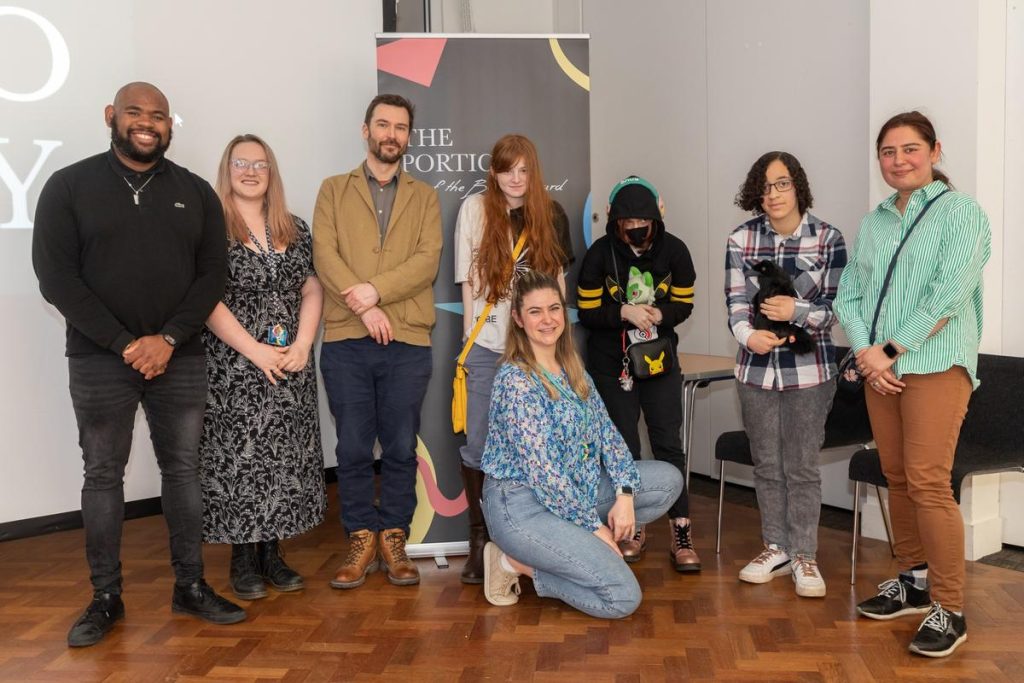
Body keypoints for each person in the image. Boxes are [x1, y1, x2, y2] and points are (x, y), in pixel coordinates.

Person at [31, 82, 245, 648]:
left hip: (181, 357)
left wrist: (169, 338)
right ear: (112, 116)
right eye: (134, 112)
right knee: (103, 476)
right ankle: (105, 597)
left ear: (170, 125)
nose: (146, 123)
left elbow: (211, 278)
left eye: (157, 115)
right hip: (101, 360)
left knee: (183, 472)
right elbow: (57, 279)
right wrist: (128, 343)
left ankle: (191, 586)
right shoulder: (68, 186)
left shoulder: (196, 192)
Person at [834, 111, 991, 658]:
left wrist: (892, 348)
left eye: (910, 149)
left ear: (935, 150)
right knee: (896, 475)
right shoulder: (874, 221)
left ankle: (950, 608)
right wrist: (867, 353)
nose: (899, 160)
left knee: (927, 481)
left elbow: (949, 294)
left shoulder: (962, 213)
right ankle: (914, 579)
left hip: (935, 364)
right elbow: (848, 295)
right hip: (881, 368)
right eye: (888, 151)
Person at [479, 270, 683, 618]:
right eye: (535, 311)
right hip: (523, 507)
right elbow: (545, 474)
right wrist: (595, 528)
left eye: (554, 308)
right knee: (622, 598)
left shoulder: (572, 368)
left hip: (577, 490)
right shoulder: (516, 381)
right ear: (517, 319)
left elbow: (608, 434)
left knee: (667, 480)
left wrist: (624, 494)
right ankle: (512, 562)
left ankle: (574, 547)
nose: (548, 320)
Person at [313, 94, 442, 590]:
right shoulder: (332, 190)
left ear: (409, 137)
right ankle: (360, 538)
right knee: (349, 446)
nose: (391, 134)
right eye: (383, 124)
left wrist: (378, 292)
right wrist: (364, 307)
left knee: (400, 447)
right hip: (347, 337)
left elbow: (427, 261)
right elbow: (325, 256)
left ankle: (394, 537)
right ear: (365, 130)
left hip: (408, 339)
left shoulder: (425, 196)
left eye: (401, 127)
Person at [199, 134, 326, 600]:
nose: (250, 171)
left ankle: (273, 553)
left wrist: (303, 343)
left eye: (260, 164)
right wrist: (254, 350)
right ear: (226, 169)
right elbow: (204, 297)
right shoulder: (210, 225)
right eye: (240, 163)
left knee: (283, 456)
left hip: (290, 360)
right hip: (234, 364)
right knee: (240, 458)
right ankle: (243, 557)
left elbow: (311, 287)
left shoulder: (292, 225)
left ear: (272, 172)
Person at [453, 133, 574, 584]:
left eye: (524, 170)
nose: (516, 179)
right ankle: (480, 540)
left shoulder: (551, 214)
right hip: (486, 345)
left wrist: (559, 346)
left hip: (535, 347)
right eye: (508, 170)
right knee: (480, 444)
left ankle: (528, 541)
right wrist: (468, 337)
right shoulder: (473, 210)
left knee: (537, 447)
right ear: (495, 171)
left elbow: (558, 283)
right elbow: (466, 280)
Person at [725, 151, 847, 598]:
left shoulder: (828, 238)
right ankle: (775, 547)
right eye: (765, 186)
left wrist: (797, 310)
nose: (772, 194)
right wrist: (745, 334)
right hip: (755, 370)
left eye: (781, 184)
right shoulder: (741, 239)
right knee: (767, 465)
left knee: (801, 467)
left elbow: (834, 310)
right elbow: (736, 301)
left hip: (810, 372)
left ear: (798, 186)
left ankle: (804, 555)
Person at [575, 176, 699, 571]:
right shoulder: (599, 254)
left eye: (643, 226)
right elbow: (588, 312)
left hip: (659, 361)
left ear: (657, 218)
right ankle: (634, 525)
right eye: (628, 227)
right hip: (612, 366)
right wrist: (623, 313)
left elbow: (684, 302)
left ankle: (681, 529)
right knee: (623, 446)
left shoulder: (675, 250)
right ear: (614, 222)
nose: (636, 233)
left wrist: (661, 314)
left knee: (668, 443)